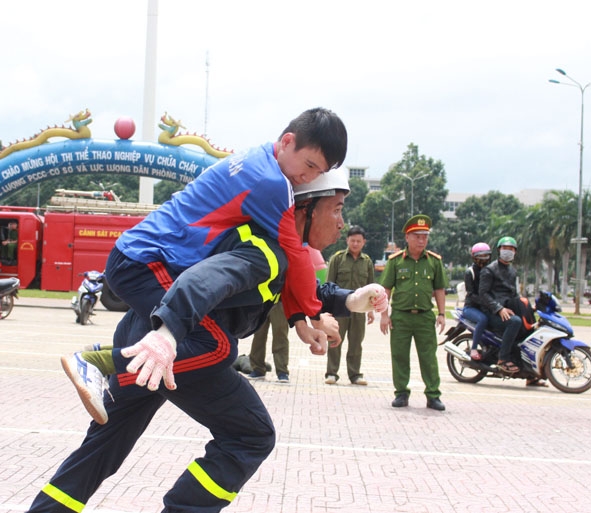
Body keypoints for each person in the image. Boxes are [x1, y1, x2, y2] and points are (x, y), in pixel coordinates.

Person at [27, 171, 389, 513]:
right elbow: (202, 282)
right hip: (181, 346)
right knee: (251, 434)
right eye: (337, 209)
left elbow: (310, 290)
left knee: (102, 447)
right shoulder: (263, 252)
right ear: (304, 209)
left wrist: (354, 298)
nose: (342, 222)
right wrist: (166, 340)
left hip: (140, 331)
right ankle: (106, 362)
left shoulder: (279, 244)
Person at [112, 107, 348, 350]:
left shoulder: (260, 157)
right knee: (210, 344)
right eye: (309, 165)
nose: (309, 177)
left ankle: (108, 365)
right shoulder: (272, 184)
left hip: (140, 254)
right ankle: (103, 365)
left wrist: (300, 318)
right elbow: (296, 254)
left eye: (319, 172)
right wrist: (316, 315)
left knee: (177, 334)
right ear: (288, 141)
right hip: (144, 261)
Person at [379, 214, 447, 411]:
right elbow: (386, 290)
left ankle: (433, 395)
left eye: (425, 236)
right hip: (400, 316)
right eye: (417, 236)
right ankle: (401, 393)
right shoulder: (395, 261)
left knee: (429, 357)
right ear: (407, 238)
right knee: (400, 356)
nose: (421, 240)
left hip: (425, 316)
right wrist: (384, 315)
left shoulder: (434, 261)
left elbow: (440, 289)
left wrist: (442, 314)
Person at [324, 225, 375, 385]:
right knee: (334, 339)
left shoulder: (367, 262)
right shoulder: (337, 259)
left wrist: (371, 310)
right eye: (352, 240)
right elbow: (329, 285)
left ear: (363, 242)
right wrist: (327, 309)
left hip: (359, 309)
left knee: (356, 342)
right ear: (347, 240)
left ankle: (355, 374)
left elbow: (371, 287)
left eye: (358, 241)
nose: (355, 244)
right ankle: (331, 373)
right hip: (340, 307)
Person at [478, 236, 523, 374]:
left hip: (508, 308)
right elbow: (483, 294)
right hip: (492, 311)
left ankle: (529, 373)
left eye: (511, 249)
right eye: (505, 248)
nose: (508, 251)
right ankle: (502, 359)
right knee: (515, 322)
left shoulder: (512, 271)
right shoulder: (489, 270)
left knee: (529, 326)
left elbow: (514, 293)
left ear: (515, 252)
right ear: (499, 250)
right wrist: (499, 309)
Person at [462, 242, 492, 361]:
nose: (483, 260)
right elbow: (471, 293)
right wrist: (485, 302)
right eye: (481, 257)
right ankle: (474, 348)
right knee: (483, 319)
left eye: (486, 256)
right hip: (471, 307)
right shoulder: (470, 272)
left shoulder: (490, 271)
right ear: (474, 258)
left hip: (486, 306)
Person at [248, 302, 290, 382]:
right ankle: (258, 369)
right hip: (262, 301)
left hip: (279, 301)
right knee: (258, 335)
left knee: (280, 335)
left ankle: (282, 371)